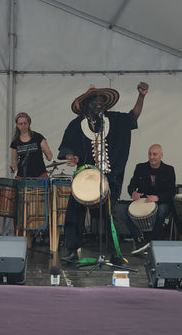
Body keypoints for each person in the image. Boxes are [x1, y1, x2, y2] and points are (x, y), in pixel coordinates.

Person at [58, 82, 148, 263]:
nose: (99, 104)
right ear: (86, 105)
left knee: (109, 216)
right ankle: (73, 250)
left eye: (101, 101)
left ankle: (114, 253)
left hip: (109, 178)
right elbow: (68, 147)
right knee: (74, 212)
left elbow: (133, 116)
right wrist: (71, 156)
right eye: (95, 102)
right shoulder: (77, 125)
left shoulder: (114, 120)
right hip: (85, 179)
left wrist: (141, 96)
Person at [123, 144, 176, 254]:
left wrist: (157, 197)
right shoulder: (140, 168)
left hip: (161, 202)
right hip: (143, 201)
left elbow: (171, 192)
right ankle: (139, 238)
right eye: (150, 154)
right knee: (124, 211)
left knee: (161, 211)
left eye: (155, 154)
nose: (151, 157)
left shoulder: (169, 170)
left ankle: (152, 240)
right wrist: (133, 193)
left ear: (161, 155)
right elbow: (131, 186)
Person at [10, 112, 53, 178]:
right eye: (20, 124)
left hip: (39, 174)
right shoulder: (15, 142)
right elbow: (14, 160)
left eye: (25, 123)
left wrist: (49, 156)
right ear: (17, 125)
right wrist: (14, 167)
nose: (23, 125)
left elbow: (49, 153)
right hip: (22, 176)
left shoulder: (38, 137)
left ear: (29, 123)